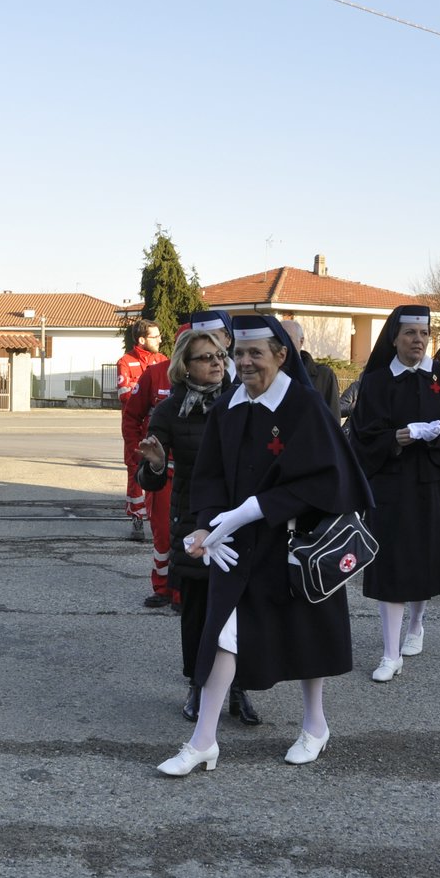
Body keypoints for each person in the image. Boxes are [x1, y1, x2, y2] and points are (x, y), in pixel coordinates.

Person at [157, 315, 372, 774]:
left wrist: (253, 509)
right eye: (239, 353)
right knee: (223, 638)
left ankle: (315, 726)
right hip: (237, 547)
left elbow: (326, 481)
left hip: (293, 545)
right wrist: (204, 528)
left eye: (256, 353)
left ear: (281, 354)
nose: (244, 362)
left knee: (305, 633)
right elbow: (207, 475)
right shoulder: (227, 407)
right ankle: (203, 742)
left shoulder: (304, 406)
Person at [136, 321, 259, 726]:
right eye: (206, 358)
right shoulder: (169, 409)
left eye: (220, 357)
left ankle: (238, 690)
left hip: (241, 518)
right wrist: (154, 465)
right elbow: (149, 477)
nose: (217, 365)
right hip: (192, 518)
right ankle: (196, 684)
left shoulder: (243, 400)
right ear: (185, 366)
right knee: (197, 610)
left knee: (241, 608)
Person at [348, 305, 440, 682]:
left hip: (435, 481)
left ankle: (416, 624)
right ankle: (390, 654)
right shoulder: (376, 382)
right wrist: (396, 438)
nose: (418, 341)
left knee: (426, 559)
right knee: (392, 565)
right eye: (410, 334)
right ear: (394, 338)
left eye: (423, 334)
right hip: (391, 482)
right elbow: (363, 436)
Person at [117, 319, 165, 542]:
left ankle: (157, 518)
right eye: (155, 337)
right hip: (135, 428)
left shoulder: (163, 361)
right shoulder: (125, 362)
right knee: (135, 473)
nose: (160, 340)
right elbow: (124, 394)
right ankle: (137, 517)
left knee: (159, 473)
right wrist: (145, 392)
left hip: (157, 429)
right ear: (142, 339)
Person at [283, 317, 340, 412]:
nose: (283, 343)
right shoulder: (269, 375)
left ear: (301, 341)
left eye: (288, 338)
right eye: (279, 339)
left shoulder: (324, 376)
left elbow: (333, 418)